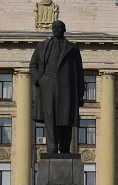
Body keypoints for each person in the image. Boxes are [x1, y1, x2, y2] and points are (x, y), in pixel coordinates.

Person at [29, 20, 85, 154]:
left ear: (64, 29)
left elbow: (79, 71)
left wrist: (80, 93)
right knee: (50, 117)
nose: (56, 29)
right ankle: (52, 147)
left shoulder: (72, 47)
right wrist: (39, 80)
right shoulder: (42, 46)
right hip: (48, 86)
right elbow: (33, 65)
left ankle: (65, 147)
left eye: (59, 27)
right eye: (54, 27)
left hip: (67, 87)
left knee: (66, 118)